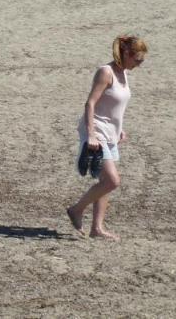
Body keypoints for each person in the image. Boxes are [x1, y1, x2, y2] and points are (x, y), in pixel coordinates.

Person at [67, 35, 148, 240]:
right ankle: (76, 209)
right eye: (138, 60)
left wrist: (120, 129)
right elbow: (90, 104)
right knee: (112, 180)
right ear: (126, 54)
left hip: (111, 133)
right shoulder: (106, 72)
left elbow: (115, 106)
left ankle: (97, 228)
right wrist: (91, 134)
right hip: (97, 131)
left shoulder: (124, 73)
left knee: (105, 181)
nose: (139, 65)